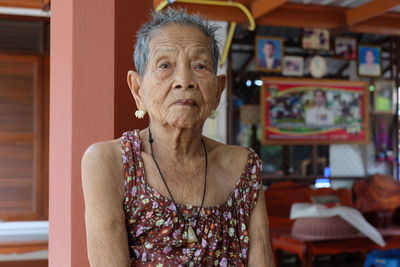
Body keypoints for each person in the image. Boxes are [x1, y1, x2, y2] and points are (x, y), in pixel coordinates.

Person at [81, 8, 274, 267]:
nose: (184, 80)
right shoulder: (109, 162)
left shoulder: (243, 166)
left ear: (218, 91)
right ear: (138, 89)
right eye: (165, 65)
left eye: (200, 66)